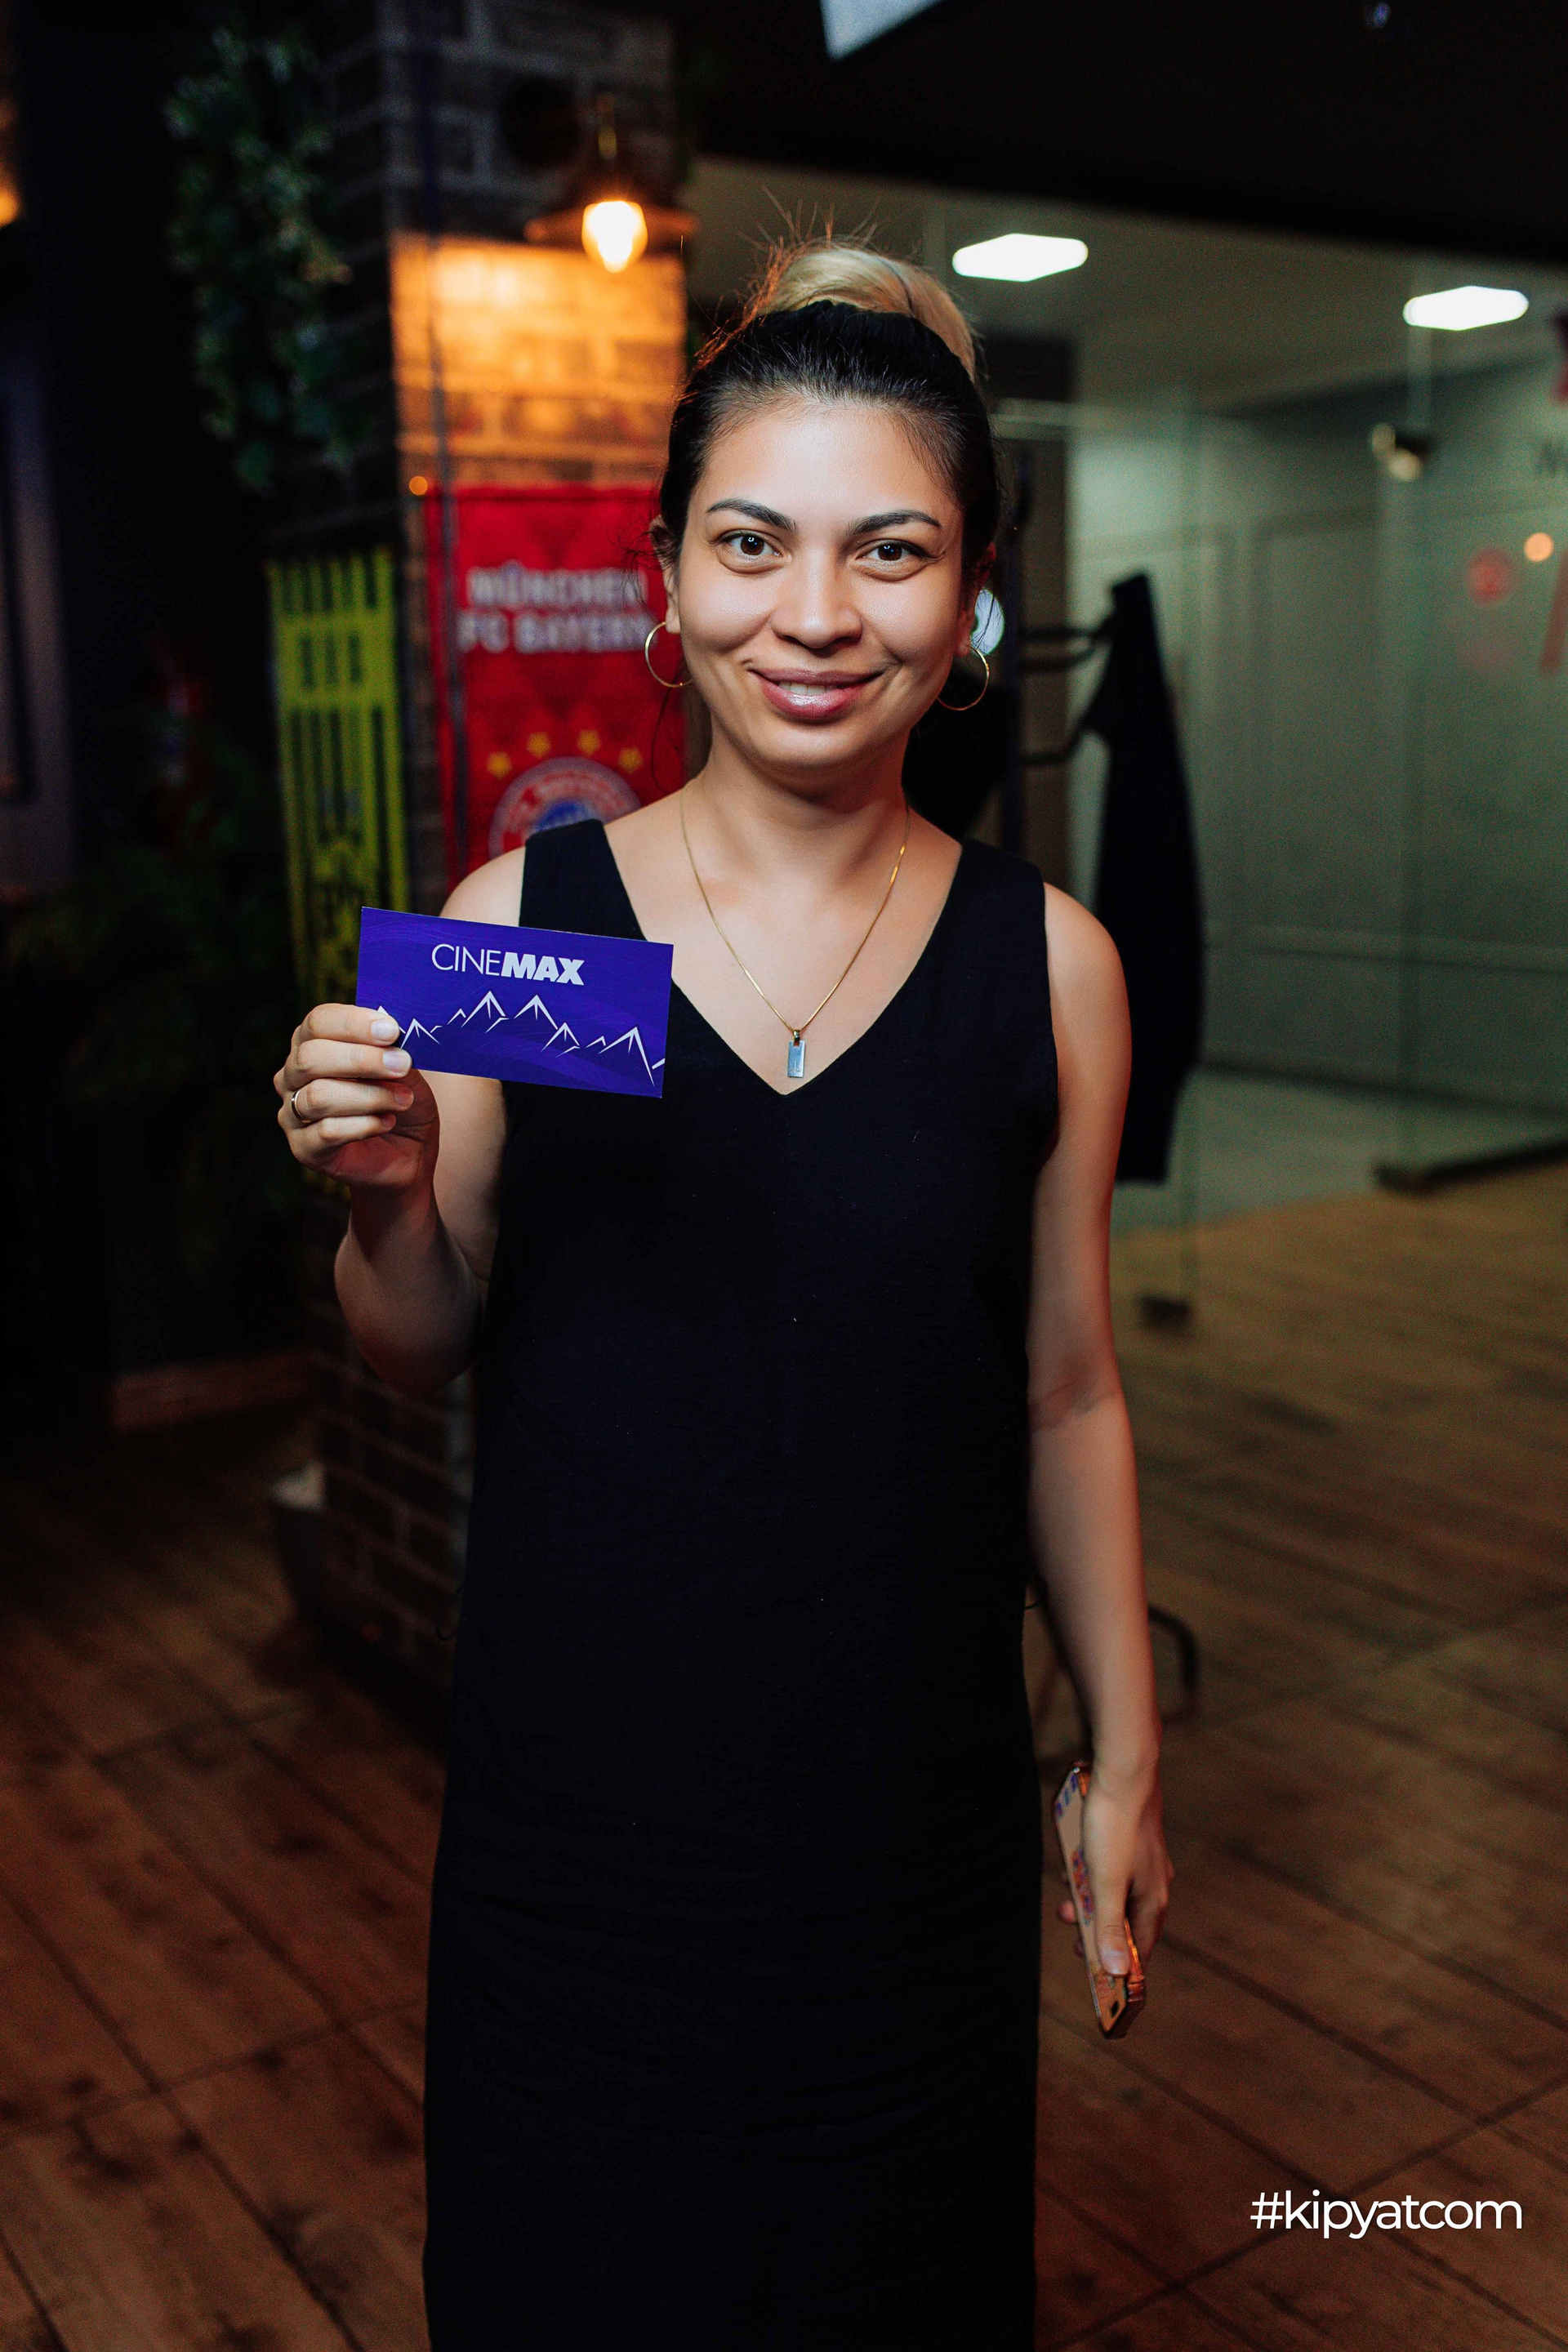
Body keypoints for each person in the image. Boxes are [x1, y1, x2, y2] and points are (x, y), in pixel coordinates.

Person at [275, 241, 1171, 2351]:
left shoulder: (1047, 969)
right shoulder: (534, 930)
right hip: (585, 1853)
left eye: (891, 553)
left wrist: (1127, 1755)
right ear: (665, 582)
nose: (816, 614)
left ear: (971, 602)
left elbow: (1065, 1392)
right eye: (752, 543)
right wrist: (385, 1203)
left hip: (911, 1850)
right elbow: (418, 1343)